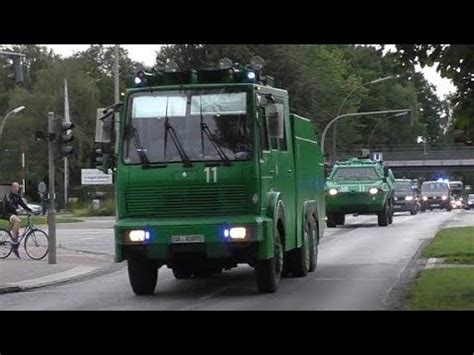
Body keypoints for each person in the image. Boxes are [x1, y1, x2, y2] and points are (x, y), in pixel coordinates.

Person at [1, 182, 33, 258]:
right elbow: (9, 204)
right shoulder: (8, 195)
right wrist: (16, 210)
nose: (16, 189)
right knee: (18, 221)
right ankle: (14, 241)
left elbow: (23, 205)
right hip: (7, 213)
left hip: (14, 214)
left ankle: (15, 248)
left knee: (17, 227)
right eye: (15, 187)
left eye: (17, 187)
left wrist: (30, 210)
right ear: (12, 188)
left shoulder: (17, 196)